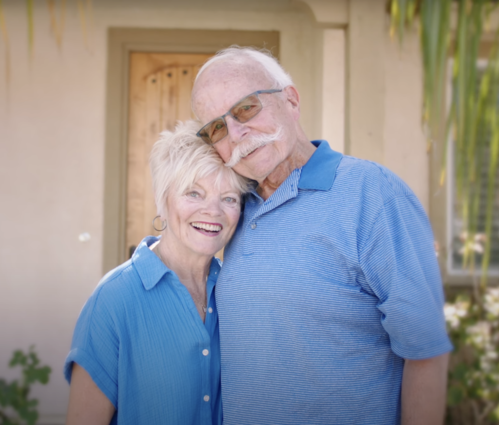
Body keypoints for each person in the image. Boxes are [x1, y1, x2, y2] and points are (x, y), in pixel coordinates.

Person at [191, 47, 453, 425]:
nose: (236, 133)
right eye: (216, 127)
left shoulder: (373, 193)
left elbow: (425, 350)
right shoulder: (230, 209)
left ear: (291, 100)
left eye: (246, 108)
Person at [63, 120, 250, 425]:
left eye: (229, 198)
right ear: (163, 201)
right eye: (194, 193)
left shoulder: (236, 292)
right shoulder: (113, 300)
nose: (213, 212)